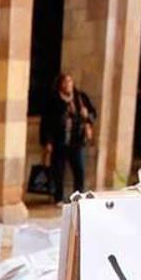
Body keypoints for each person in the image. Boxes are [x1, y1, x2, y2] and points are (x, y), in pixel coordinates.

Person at [40, 73, 96, 202]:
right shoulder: (53, 100)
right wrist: (47, 141)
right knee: (58, 171)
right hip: (59, 141)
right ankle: (58, 197)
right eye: (65, 82)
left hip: (77, 141)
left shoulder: (80, 98)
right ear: (60, 84)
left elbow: (93, 114)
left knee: (79, 170)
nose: (68, 84)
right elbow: (46, 122)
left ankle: (78, 196)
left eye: (70, 81)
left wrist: (87, 115)